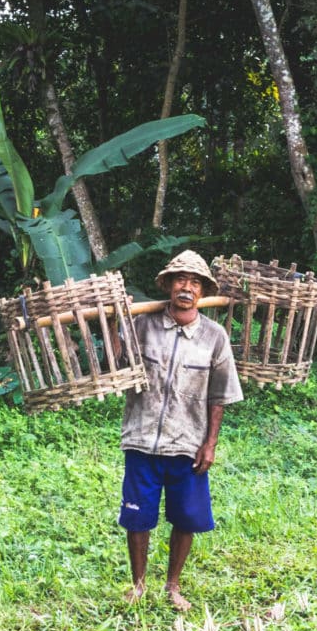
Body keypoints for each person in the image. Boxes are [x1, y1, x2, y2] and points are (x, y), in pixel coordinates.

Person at [117, 250, 243, 609]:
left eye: (194, 282)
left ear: (202, 291)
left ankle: (172, 585)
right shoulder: (143, 325)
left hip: (188, 443)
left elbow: (218, 396)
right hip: (142, 440)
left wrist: (210, 443)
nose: (186, 287)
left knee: (186, 517)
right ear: (169, 286)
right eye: (180, 280)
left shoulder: (214, 337)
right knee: (138, 516)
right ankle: (138, 584)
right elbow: (116, 360)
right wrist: (115, 319)